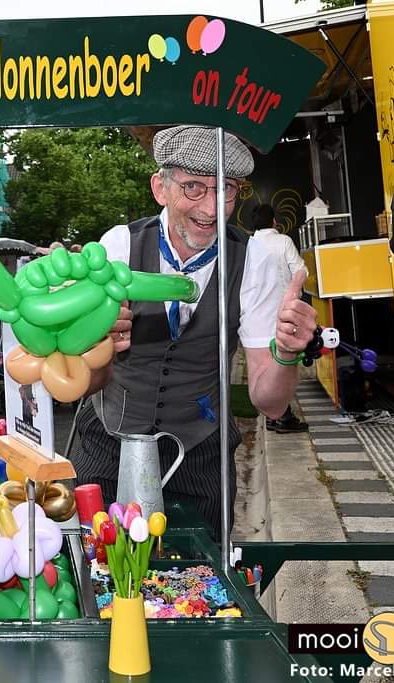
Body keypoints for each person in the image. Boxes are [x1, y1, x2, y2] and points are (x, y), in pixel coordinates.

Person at [72, 126, 317, 539]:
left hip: (201, 451)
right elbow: (89, 382)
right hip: (107, 442)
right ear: (160, 188)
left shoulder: (255, 261)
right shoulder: (118, 247)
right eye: (193, 188)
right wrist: (97, 350)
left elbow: (270, 404)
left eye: (225, 189)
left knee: (202, 584)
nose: (211, 207)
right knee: (97, 573)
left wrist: (287, 354)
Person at [250, 203, 309, 434]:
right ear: (273, 220)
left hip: (256, 313)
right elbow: (301, 270)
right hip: (284, 311)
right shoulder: (283, 241)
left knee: (265, 364)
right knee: (284, 362)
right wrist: (293, 292)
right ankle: (283, 416)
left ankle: (274, 414)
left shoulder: (250, 245)